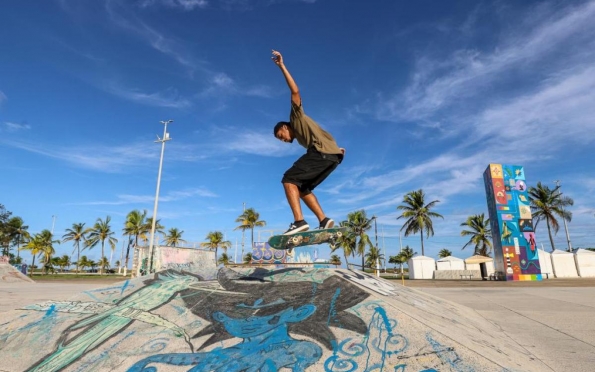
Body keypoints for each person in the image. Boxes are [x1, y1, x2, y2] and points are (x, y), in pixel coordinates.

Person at [271, 50, 344, 235]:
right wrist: (337, 150)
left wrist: (282, 66)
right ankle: (324, 220)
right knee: (302, 187)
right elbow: (326, 136)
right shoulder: (306, 135)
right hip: (332, 158)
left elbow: (295, 91)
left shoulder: (295, 118)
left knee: (288, 179)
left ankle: (299, 221)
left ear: (286, 127)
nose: (283, 140)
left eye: (281, 136)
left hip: (321, 153)